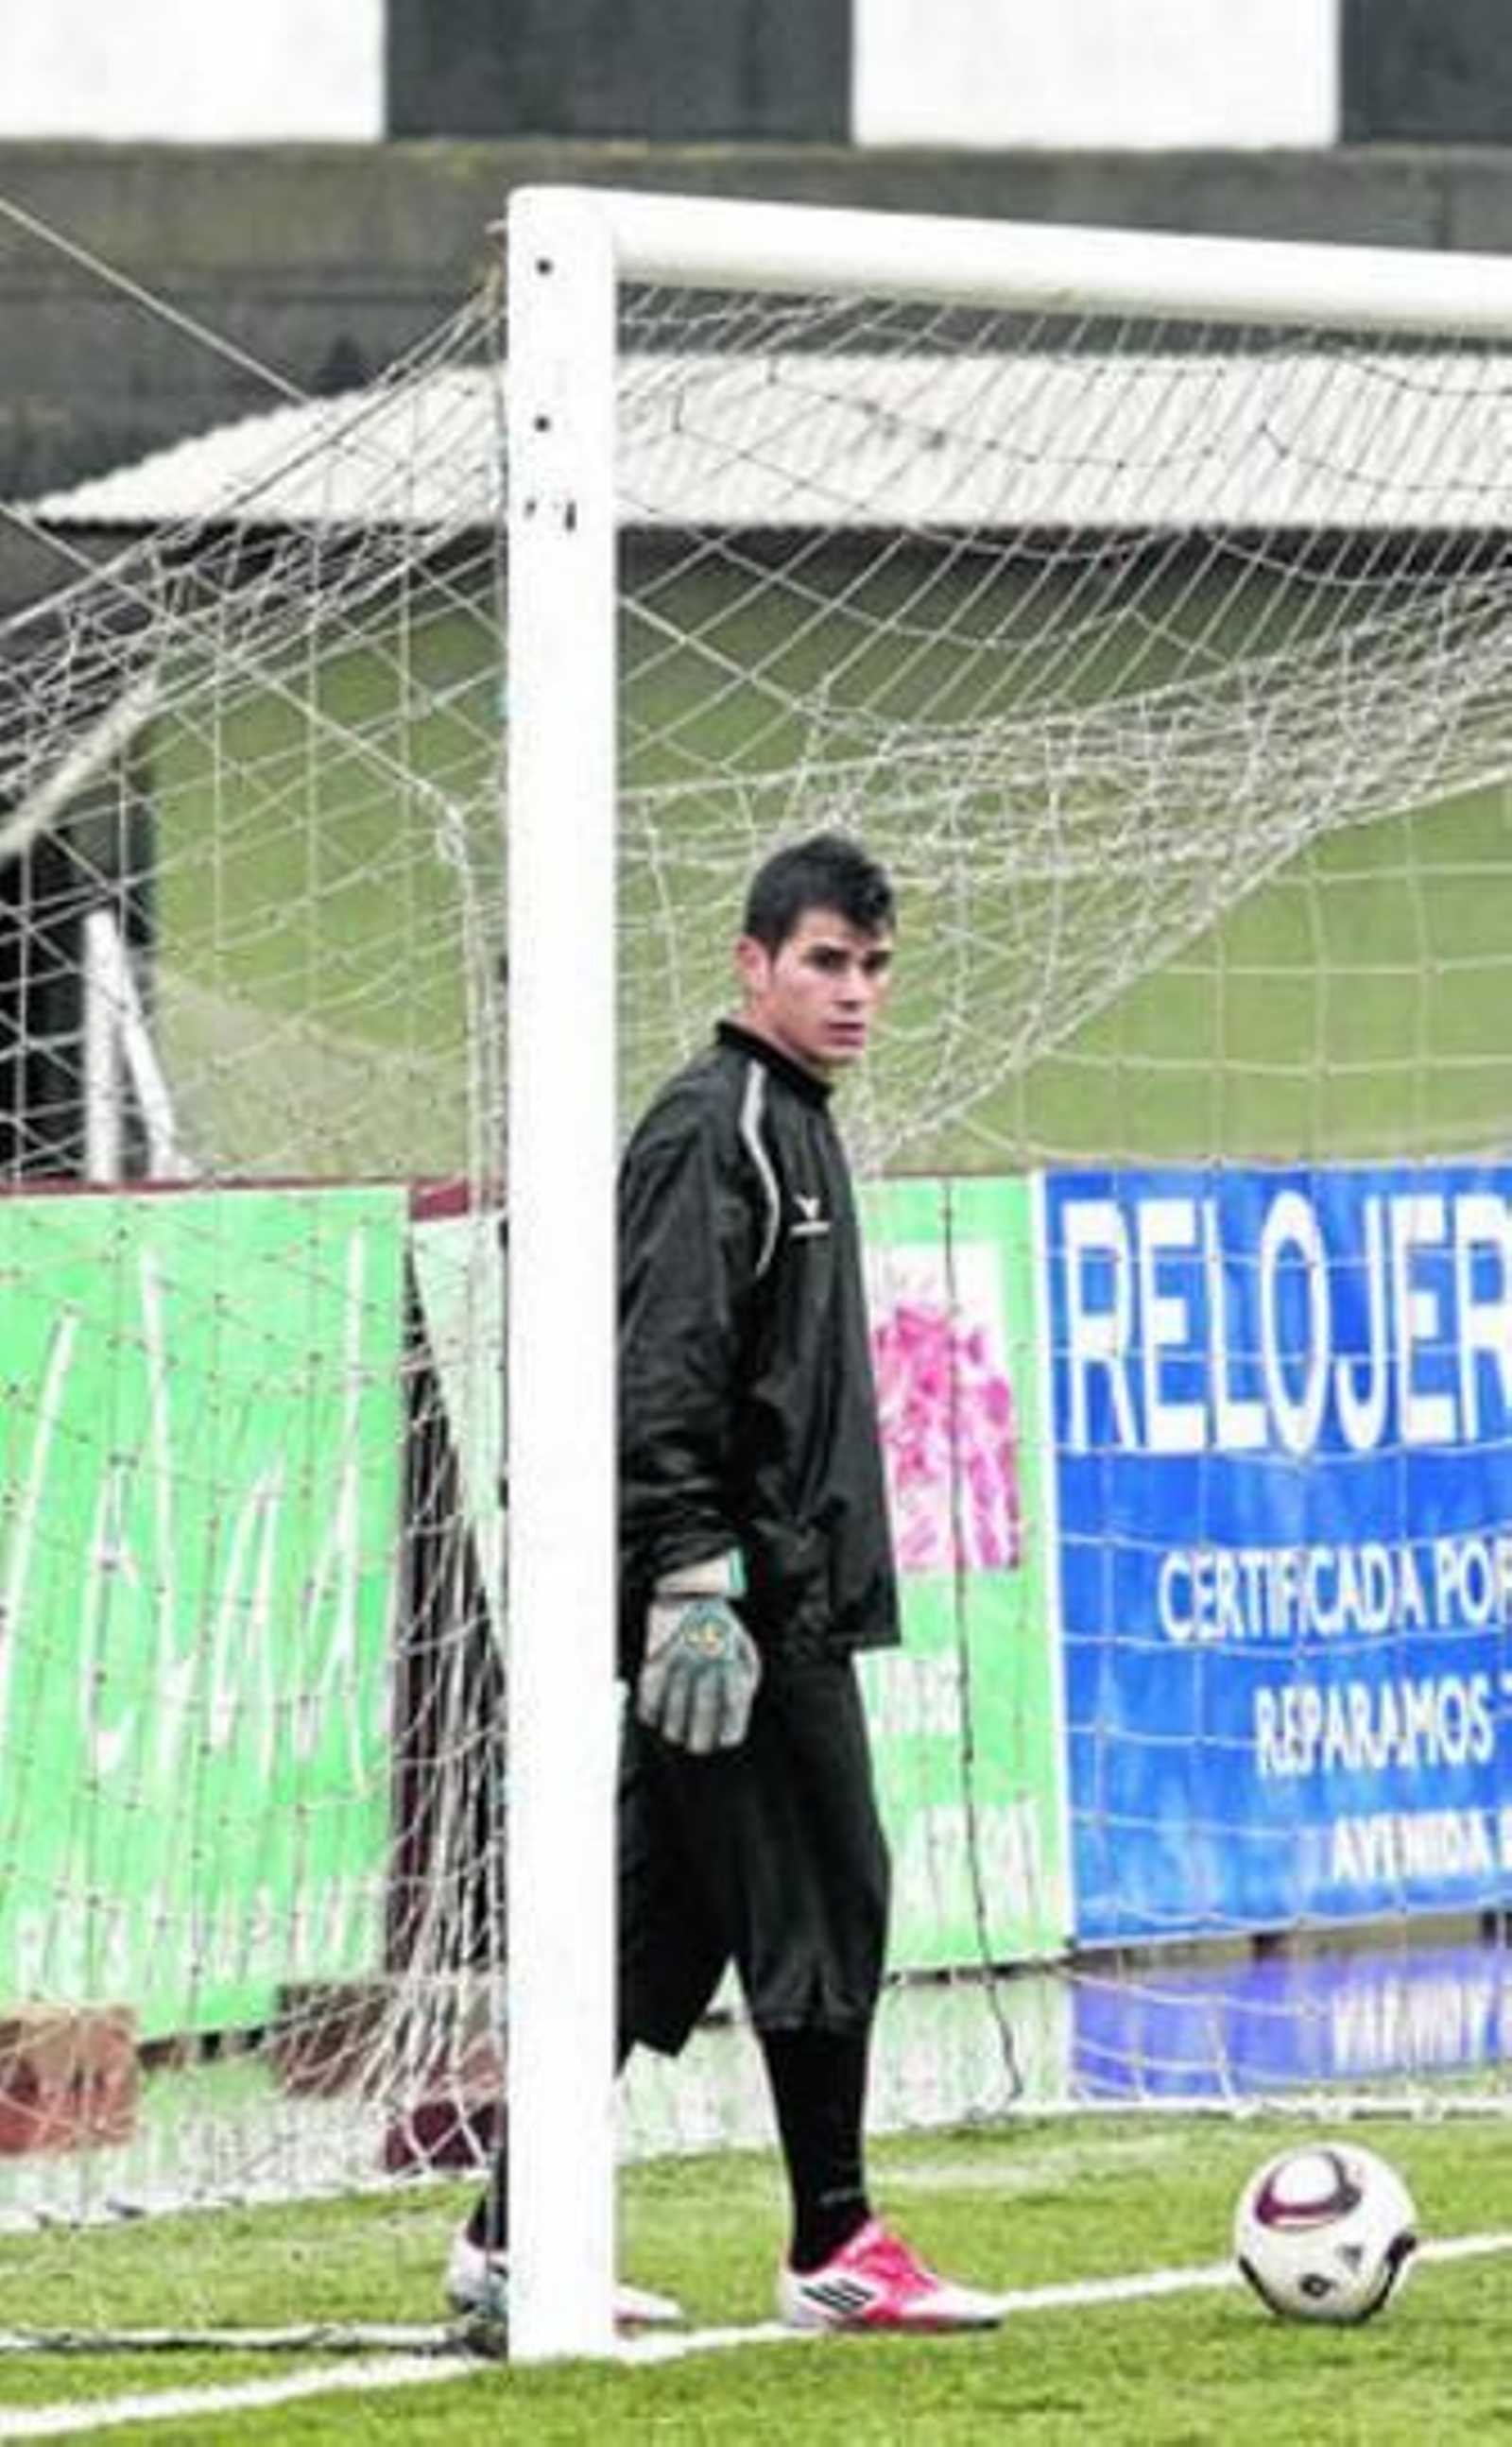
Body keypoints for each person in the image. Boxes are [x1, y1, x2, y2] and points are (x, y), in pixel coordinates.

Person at [449, 831, 1004, 2335]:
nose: (855, 990)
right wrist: (691, 1570)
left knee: (653, 1930)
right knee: (830, 1888)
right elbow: (665, 1361)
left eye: (875, 965)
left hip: (781, 1589)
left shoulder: (796, 1121)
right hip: (745, 1608)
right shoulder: (717, 1124)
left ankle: (507, 2237)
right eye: (826, 960)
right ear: (753, 963)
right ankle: (835, 2237)